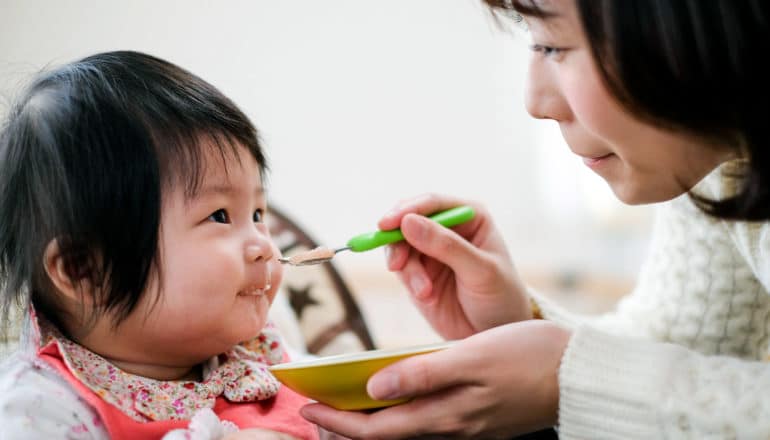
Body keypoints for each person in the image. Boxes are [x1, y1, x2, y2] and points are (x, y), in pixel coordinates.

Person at [300, 0, 770, 438]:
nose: (536, 102)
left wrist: (569, 384)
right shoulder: (714, 155)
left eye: (553, 46)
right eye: (534, 42)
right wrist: (517, 321)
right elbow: (698, 349)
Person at [0, 51, 318, 439]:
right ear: (85, 270)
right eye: (219, 215)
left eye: (256, 214)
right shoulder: (39, 409)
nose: (264, 246)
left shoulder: (256, 354)